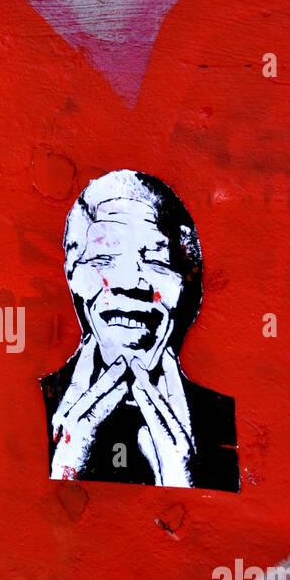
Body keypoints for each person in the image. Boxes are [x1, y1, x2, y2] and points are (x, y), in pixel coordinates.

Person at [40, 169, 239, 491]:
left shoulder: (225, 425)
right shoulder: (27, 409)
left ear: (189, 286)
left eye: (158, 261)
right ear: (73, 275)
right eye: (103, 257)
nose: (130, 282)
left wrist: (183, 481)